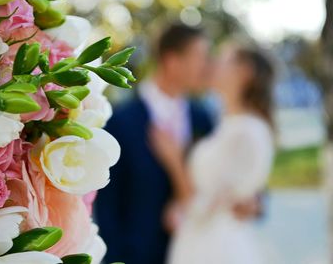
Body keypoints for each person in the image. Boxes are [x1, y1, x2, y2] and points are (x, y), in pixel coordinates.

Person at [95, 24, 214, 264]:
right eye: (200, 56)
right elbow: (107, 206)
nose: (207, 67)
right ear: (172, 61)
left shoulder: (204, 119)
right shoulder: (121, 121)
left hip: (198, 252)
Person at [150, 42, 275, 264]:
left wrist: (175, 162)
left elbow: (205, 206)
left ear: (244, 72)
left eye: (221, 59)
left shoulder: (248, 131)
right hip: (197, 243)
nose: (211, 64)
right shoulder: (222, 122)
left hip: (216, 248)